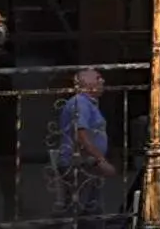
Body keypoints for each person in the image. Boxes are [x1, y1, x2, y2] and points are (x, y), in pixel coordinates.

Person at [55, 68, 117, 229]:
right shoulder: (80, 103)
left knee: (90, 210)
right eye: (98, 78)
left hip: (85, 164)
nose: (102, 81)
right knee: (79, 210)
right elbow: (80, 135)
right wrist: (100, 160)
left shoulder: (88, 104)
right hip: (80, 164)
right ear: (86, 83)